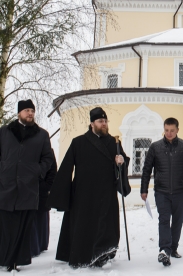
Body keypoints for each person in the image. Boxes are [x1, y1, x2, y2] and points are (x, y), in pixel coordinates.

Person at [48, 107, 130, 268]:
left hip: (106, 192)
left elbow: (123, 160)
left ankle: (103, 254)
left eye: (105, 121)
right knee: (84, 226)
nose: (104, 124)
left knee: (106, 225)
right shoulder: (79, 142)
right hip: (84, 194)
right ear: (92, 123)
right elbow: (66, 168)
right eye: (100, 121)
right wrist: (61, 193)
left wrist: (121, 161)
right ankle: (83, 255)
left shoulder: (114, 142)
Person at [0, 99, 55, 272]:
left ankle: (15, 260)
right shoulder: (4, 132)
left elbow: (48, 159)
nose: (30, 113)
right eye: (26, 110)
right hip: (4, 187)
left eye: (32, 110)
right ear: (19, 113)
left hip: (27, 188)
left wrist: (37, 170)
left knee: (21, 226)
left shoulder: (41, 135)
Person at [140, 117, 183, 267]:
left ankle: (173, 248)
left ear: (177, 130)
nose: (169, 133)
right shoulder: (155, 147)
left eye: (172, 130)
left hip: (180, 191)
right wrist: (143, 189)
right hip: (162, 191)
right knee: (164, 220)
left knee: (178, 221)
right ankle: (165, 250)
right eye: (166, 130)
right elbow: (147, 169)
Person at [30, 153, 57, 257]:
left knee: (40, 218)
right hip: (26, 191)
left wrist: (45, 186)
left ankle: (39, 246)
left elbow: (52, 172)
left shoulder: (47, 152)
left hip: (41, 193)